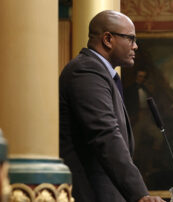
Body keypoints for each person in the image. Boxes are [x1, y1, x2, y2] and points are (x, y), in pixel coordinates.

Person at [59, 10, 165, 202]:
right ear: (108, 39)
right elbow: (105, 135)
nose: (135, 46)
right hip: (91, 194)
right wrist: (141, 195)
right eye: (131, 39)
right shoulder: (86, 71)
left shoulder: (102, 73)